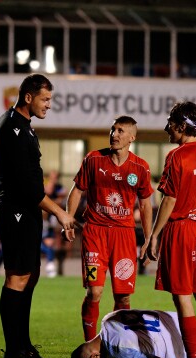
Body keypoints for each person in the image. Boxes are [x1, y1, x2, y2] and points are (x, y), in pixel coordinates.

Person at [0, 74, 77, 358]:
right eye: (45, 99)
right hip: (15, 210)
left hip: (28, 212)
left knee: (31, 275)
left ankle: (24, 345)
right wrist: (60, 212)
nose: (49, 105)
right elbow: (27, 188)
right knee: (17, 277)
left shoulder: (25, 127)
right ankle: (14, 349)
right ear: (29, 97)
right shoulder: (12, 127)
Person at [141, 101, 196, 358]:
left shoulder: (177, 156)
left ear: (181, 126)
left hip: (182, 229)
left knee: (182, 295)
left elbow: (169, 200)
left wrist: (154, 235)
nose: (166, 127)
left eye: (170, 123)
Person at [64, 115, 154, 342]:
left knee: (123, 296)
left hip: (124, 236)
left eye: (121, 130)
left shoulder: (140, 167)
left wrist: (148, 236)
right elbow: (77, 190)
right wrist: (68, 218)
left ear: (132, 137)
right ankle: (89, 344)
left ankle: (118, 343)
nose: (114, 134)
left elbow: (145, 203)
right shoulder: (93, 160)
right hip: (95, 233)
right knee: (94, 291)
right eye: (113, 129)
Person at [70, 309, 184, 358]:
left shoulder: (120, 354)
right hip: (178, 318)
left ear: (94, 356)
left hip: (182, 343)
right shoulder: (108, 318)